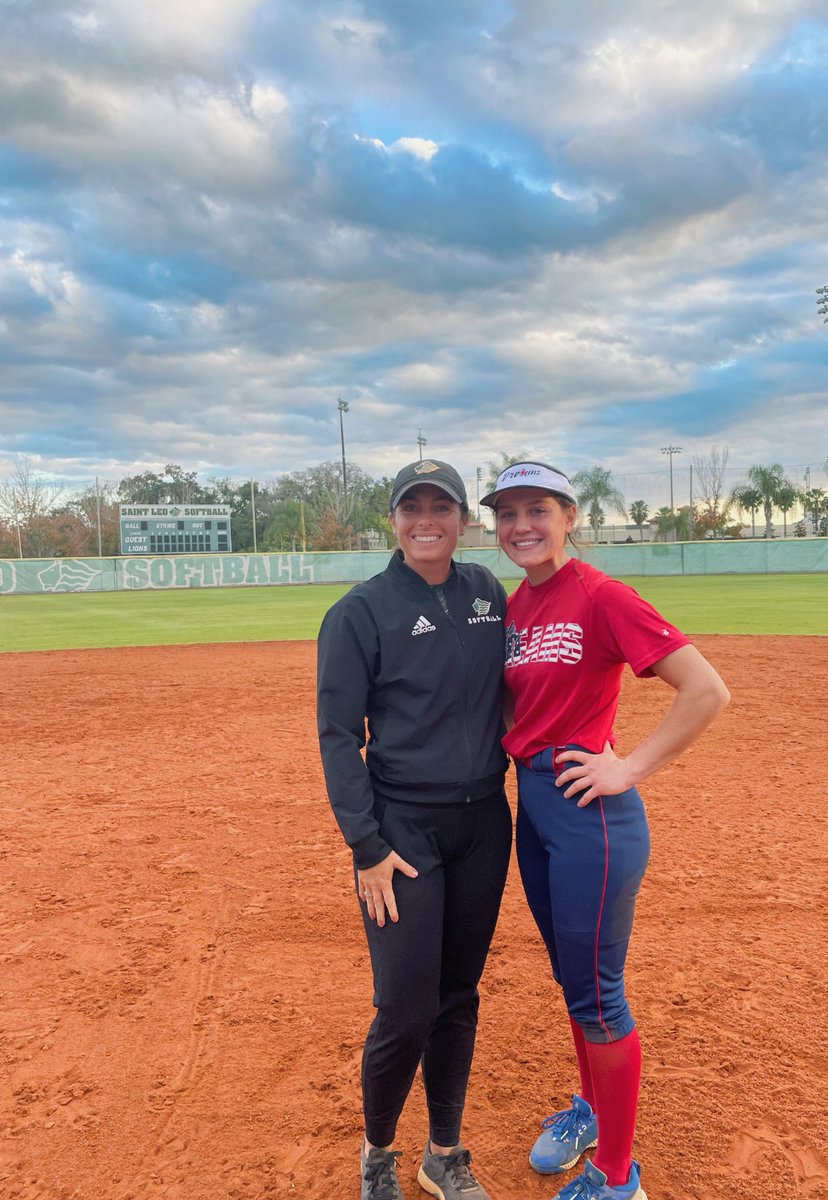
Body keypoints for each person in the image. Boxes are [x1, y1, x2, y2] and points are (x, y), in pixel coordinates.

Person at [480, 461, 730, 1200]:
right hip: (536, 809)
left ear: (570, 516)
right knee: (572, 980)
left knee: (599, 995)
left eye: (537, 510)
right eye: (507, 514)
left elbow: (706, 689)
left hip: (592, 816)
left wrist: (629, 768)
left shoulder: (601, 594)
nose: (521, 526)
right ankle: (590, 1112)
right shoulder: (517, 607)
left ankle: (618, 1178)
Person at [317, 458, 511, 1200]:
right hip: (401, 833)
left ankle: (444, 1154)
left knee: (459, 994)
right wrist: (367, 846)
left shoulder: (487, 592)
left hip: (484, 827)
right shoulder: (361, 611)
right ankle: (377, 1156)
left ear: (464, 521)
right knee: (406, 1004)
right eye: (411, 507)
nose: (426, 519)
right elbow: (338, 735)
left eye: (443, 506)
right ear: (393, 521)